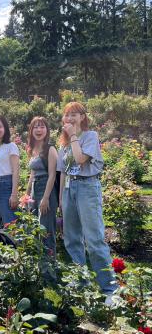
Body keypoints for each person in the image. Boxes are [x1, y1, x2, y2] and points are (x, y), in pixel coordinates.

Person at [57, 102, 117, 303]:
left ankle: (109, 288)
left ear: (83, 117)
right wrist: (61, 200)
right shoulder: (63, 143)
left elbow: (81, 159)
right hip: (69, 190)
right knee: (72, 238)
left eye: (74, 114)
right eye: (67, 115)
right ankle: (81, 283)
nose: (70, 118)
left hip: (87, 187)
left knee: (94, 238)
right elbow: (64, 172)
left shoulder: (90, 136)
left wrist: (73, 135)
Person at [26, 117, 58, 263]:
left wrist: (45, 198)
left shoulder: (50, 149)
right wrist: (26, 196)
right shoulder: (32, 149)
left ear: (47, 130)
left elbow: (52, 175)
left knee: (46, 230)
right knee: (35, 227)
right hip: (34, 190)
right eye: (35, 127)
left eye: (42, 127)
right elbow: (32, 175)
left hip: (46, 190)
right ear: (31, 130)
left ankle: (49, 268)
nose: (39, 130)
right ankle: (39, 265)